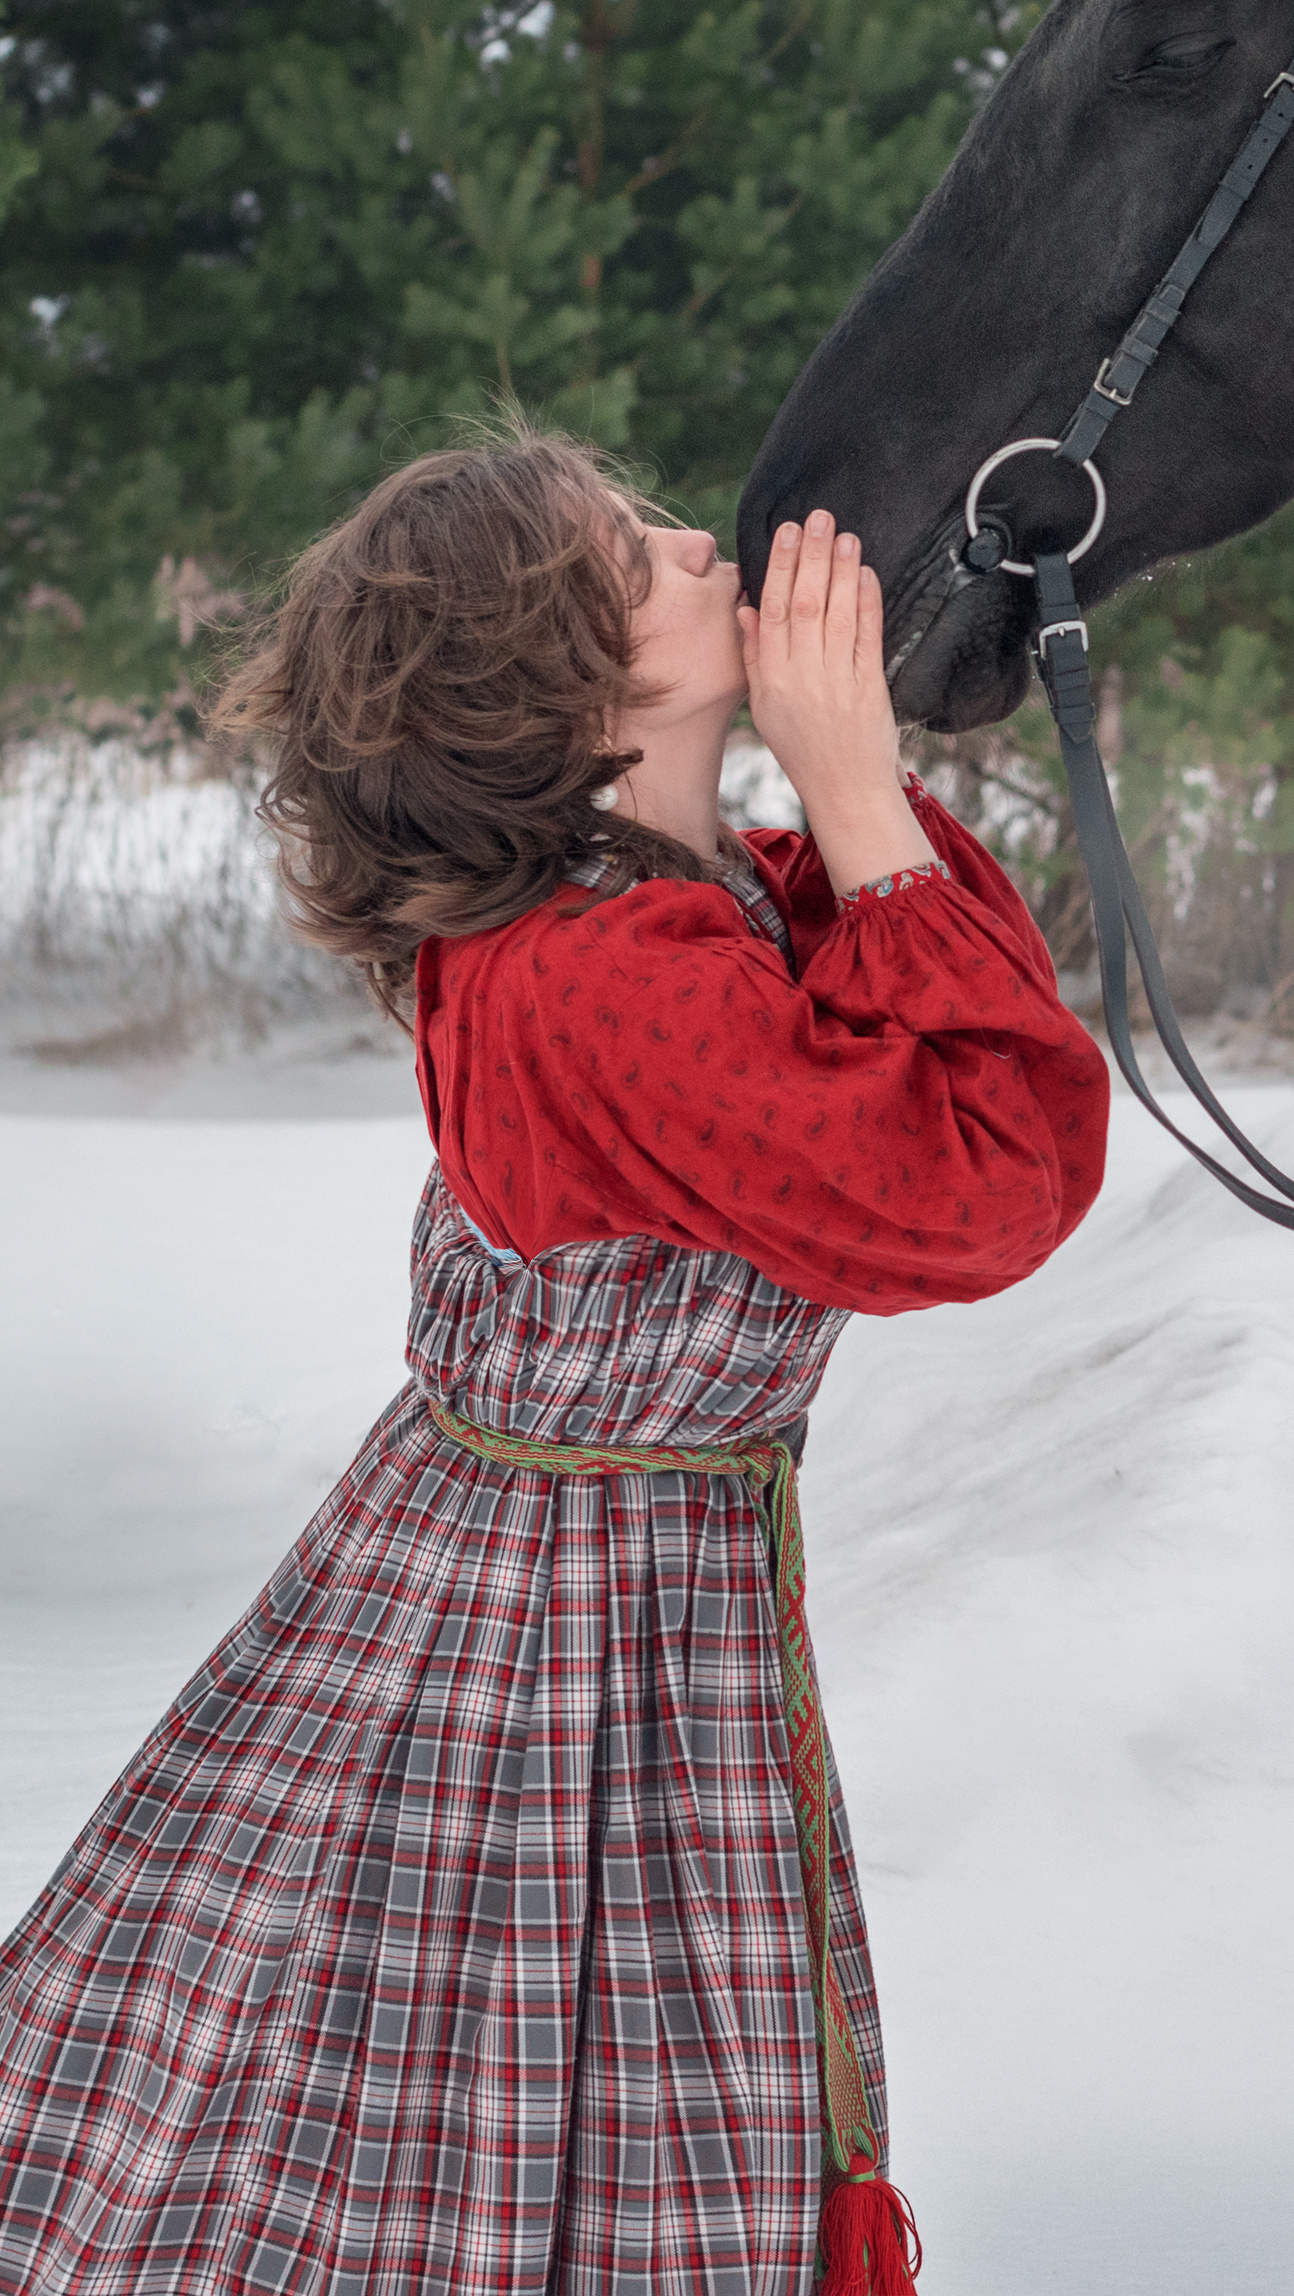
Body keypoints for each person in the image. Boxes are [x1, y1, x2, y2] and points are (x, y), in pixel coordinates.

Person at [0, 427, 1109, 2296]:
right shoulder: (596, 979)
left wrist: (855, 804)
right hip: (547, 1654)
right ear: (554, 691)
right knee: (449, 2121)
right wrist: (859, 789)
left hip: (594, 1602)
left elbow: (902, 1020)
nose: (702, 544)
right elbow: (983, 1181)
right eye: (635, 558)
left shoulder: (681, 911)